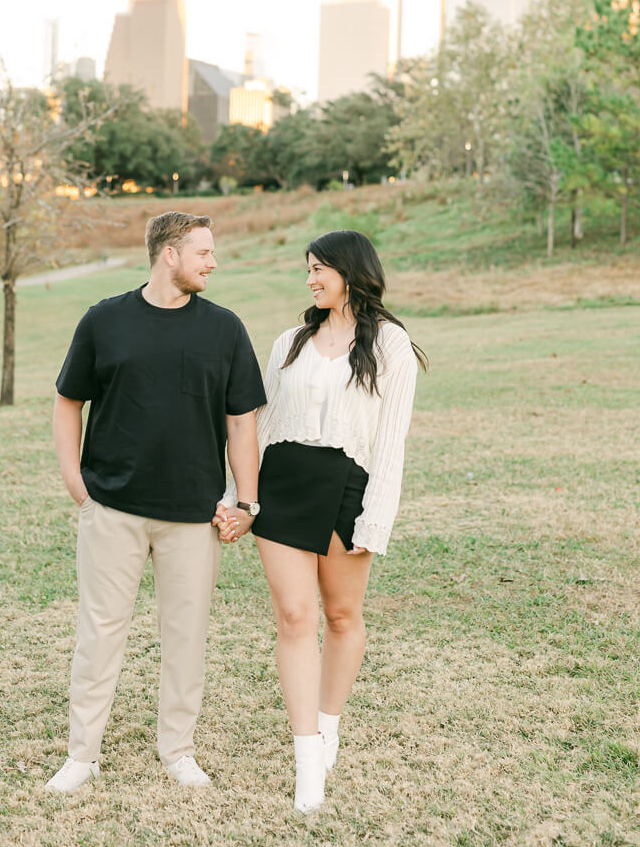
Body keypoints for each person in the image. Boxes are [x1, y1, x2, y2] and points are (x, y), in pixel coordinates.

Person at [45, 211, 266, 795]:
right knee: (100, 632)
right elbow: (69, 401)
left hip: (193, 515)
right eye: (203, 252)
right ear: (170, 254)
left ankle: (179, 752)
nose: (213, 262)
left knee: (186, 636)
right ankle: (82, 756)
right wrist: (74, 478)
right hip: (112, 508)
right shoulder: (105, 320)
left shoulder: (225, 329)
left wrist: (247, 501)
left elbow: (243, 423)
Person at [218, 229, 426, 814]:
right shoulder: (290, 341)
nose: (310, 280)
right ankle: (307, 756)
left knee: (340, 615)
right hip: (283, 482)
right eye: (307, 269)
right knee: (294, 615)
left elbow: (391, 444)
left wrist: (374, 519)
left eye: (319, 269)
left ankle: (328, 726)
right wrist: (240, 496)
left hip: (347, 490)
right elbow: (258, 422)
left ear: (350, 270)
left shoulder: (390, 344)